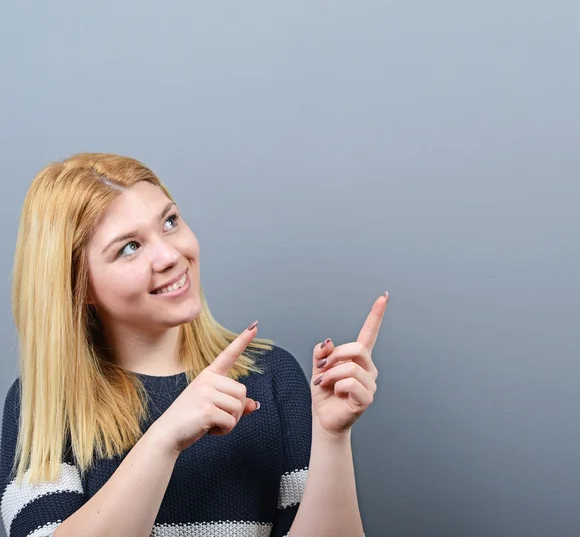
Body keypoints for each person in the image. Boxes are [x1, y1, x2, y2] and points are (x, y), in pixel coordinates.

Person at [0, 152, 387, 537]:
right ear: (79, 286)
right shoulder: (43, 403)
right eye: (129, 247)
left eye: (169, 222)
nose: (170, 255)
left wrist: (332, 438)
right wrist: (165, 438)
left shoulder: (272, 376)